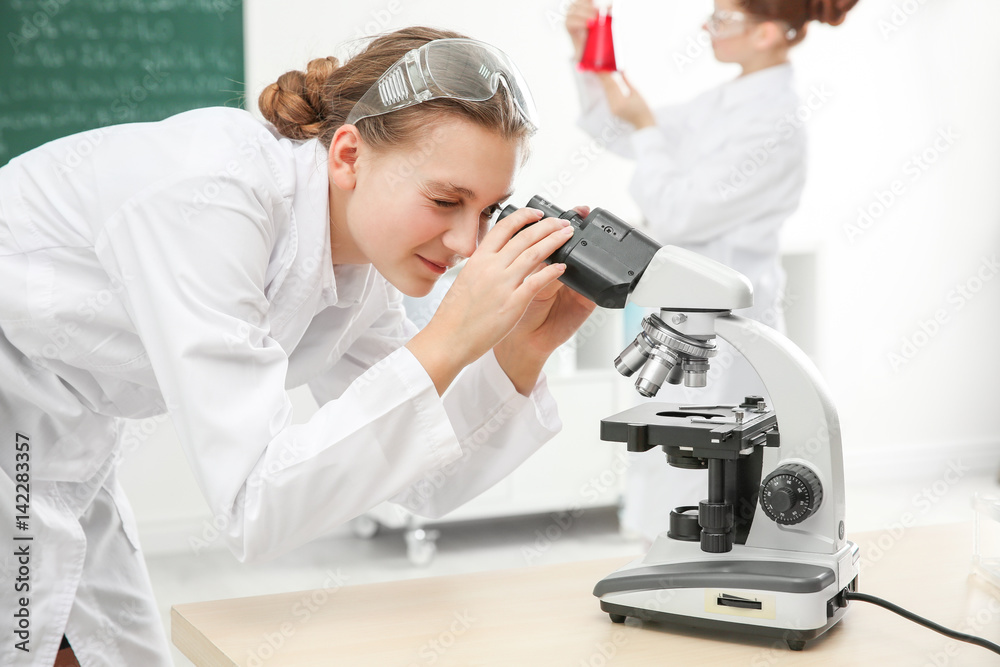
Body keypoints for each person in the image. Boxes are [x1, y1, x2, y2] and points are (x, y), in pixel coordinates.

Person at [0, 27, 596, 666]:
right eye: (445, 200)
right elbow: (253, 507)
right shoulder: (213, 198)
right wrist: (450, 336)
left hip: (64, 438)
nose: (466, 245)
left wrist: (522, 351)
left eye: (487, 211)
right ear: (347, 155)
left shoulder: (359, 270)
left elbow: (424, 478)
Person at [564, 0, 858, 544]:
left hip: (728, 319)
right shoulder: (723, 102)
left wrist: (647, 126)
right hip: (678, 310)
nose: (707, 26)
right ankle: (668, 553)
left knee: (720, 450)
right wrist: (590, 57)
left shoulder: (775, 124)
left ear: (768, 32)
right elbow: (619, 130)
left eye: (722, 19)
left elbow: (679, 209)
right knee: (672, 436)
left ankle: (715, 556)